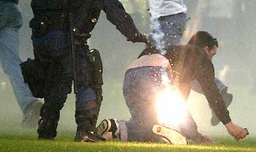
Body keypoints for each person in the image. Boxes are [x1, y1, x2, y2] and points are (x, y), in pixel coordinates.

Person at [29, 0, 149, 142]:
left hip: (41, 40)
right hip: (70, 39)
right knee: (88, 78)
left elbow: (35, 6)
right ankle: (85, 129)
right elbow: (115, 11)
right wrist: (135, 35)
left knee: (56, 81)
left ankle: (47, 126)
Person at [97, 31, 248, 144]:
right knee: (171, 133)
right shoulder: (199, 56)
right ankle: (170, 135)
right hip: (155, 73)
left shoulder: (177, 55)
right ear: (206, 49)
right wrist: (229, 125)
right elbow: (211, 92)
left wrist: (196, 135)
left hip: (130, 75)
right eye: (212, 54)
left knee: (149, 128)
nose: (211, 59)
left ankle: (114, 127)